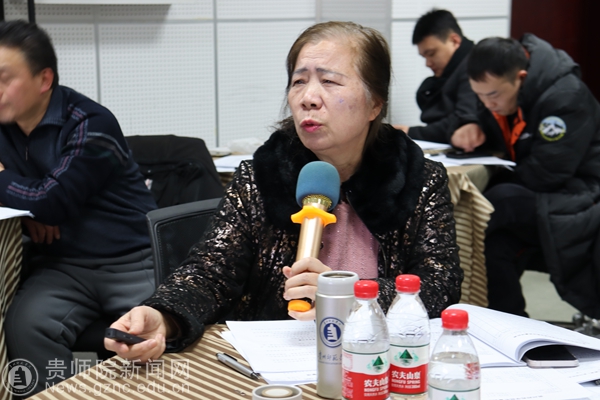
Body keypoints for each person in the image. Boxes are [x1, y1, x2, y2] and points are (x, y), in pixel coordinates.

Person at [105, 21, 463, 362]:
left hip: (376, 359)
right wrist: (163, 315)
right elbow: (210, 272)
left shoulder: (417, 179)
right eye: (298, 82)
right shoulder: (263, 176)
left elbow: (440, 287)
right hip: (273, 364)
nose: (308, 98)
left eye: (330, 82)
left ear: (375, 104)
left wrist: (346, 296)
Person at [0, 20, 157, 394]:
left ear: (44, 79)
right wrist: (27, 217)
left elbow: (52, 202)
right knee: (25, 326)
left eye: (4, 78)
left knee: (157, 337)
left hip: (131, 261)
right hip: (64, 266)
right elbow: (43, 204)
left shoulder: (90, 122)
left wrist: (18, 191)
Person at [466, 35, 600, 318]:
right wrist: (467, 125)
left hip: (583, 195)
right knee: (496, 243)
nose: (487, 104)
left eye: (493, 95)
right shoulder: (497, 91)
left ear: (521, 78)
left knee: (495, 202)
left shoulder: (566, 96)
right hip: (544, 192)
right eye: (479, 95)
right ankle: (510, 326)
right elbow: (475, 118)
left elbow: (548, 172)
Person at [394, 9, 482, 151]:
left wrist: (411, 132)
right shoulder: (454, 70)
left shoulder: (474, 66)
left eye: (431, 54)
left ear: (454, 41)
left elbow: (462, 119)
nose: (428, 63)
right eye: (424, 57)